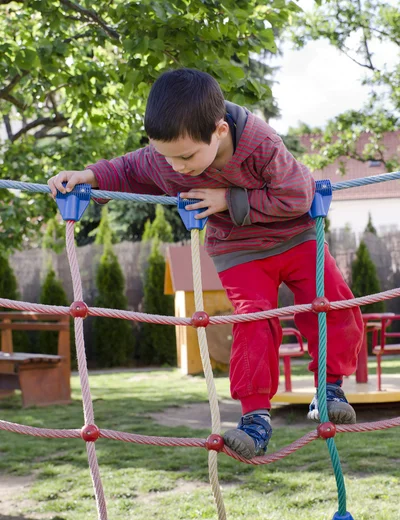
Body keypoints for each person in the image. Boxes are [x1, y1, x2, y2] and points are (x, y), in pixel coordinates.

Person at [48, 68, 364, 460]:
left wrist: (228, 199)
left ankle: (329, 387)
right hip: (238, 249)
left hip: (294, 237)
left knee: (333, 301)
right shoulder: (167, 158)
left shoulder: (260, 143)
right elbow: (129, 169)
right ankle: (256, 420)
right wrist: (91, 175)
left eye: (186, 157)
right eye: (167, 156)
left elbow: (297, 195)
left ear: (218, 131)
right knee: (252, 320)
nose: (177, 167)